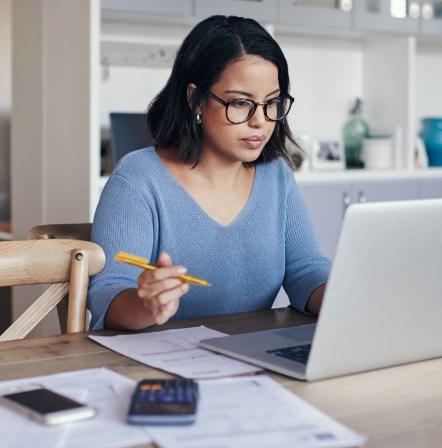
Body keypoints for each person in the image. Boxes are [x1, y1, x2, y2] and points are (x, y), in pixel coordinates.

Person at [88, 15, 331, 331]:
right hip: (156, 368)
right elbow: (108, 294)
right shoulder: (139, 178)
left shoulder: (276, 176)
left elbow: (305, 270)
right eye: (241, 103)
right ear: (196, 100)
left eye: (272, 103)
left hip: (248, 359)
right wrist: (145, 304)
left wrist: (346, 298)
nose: (260, 121)